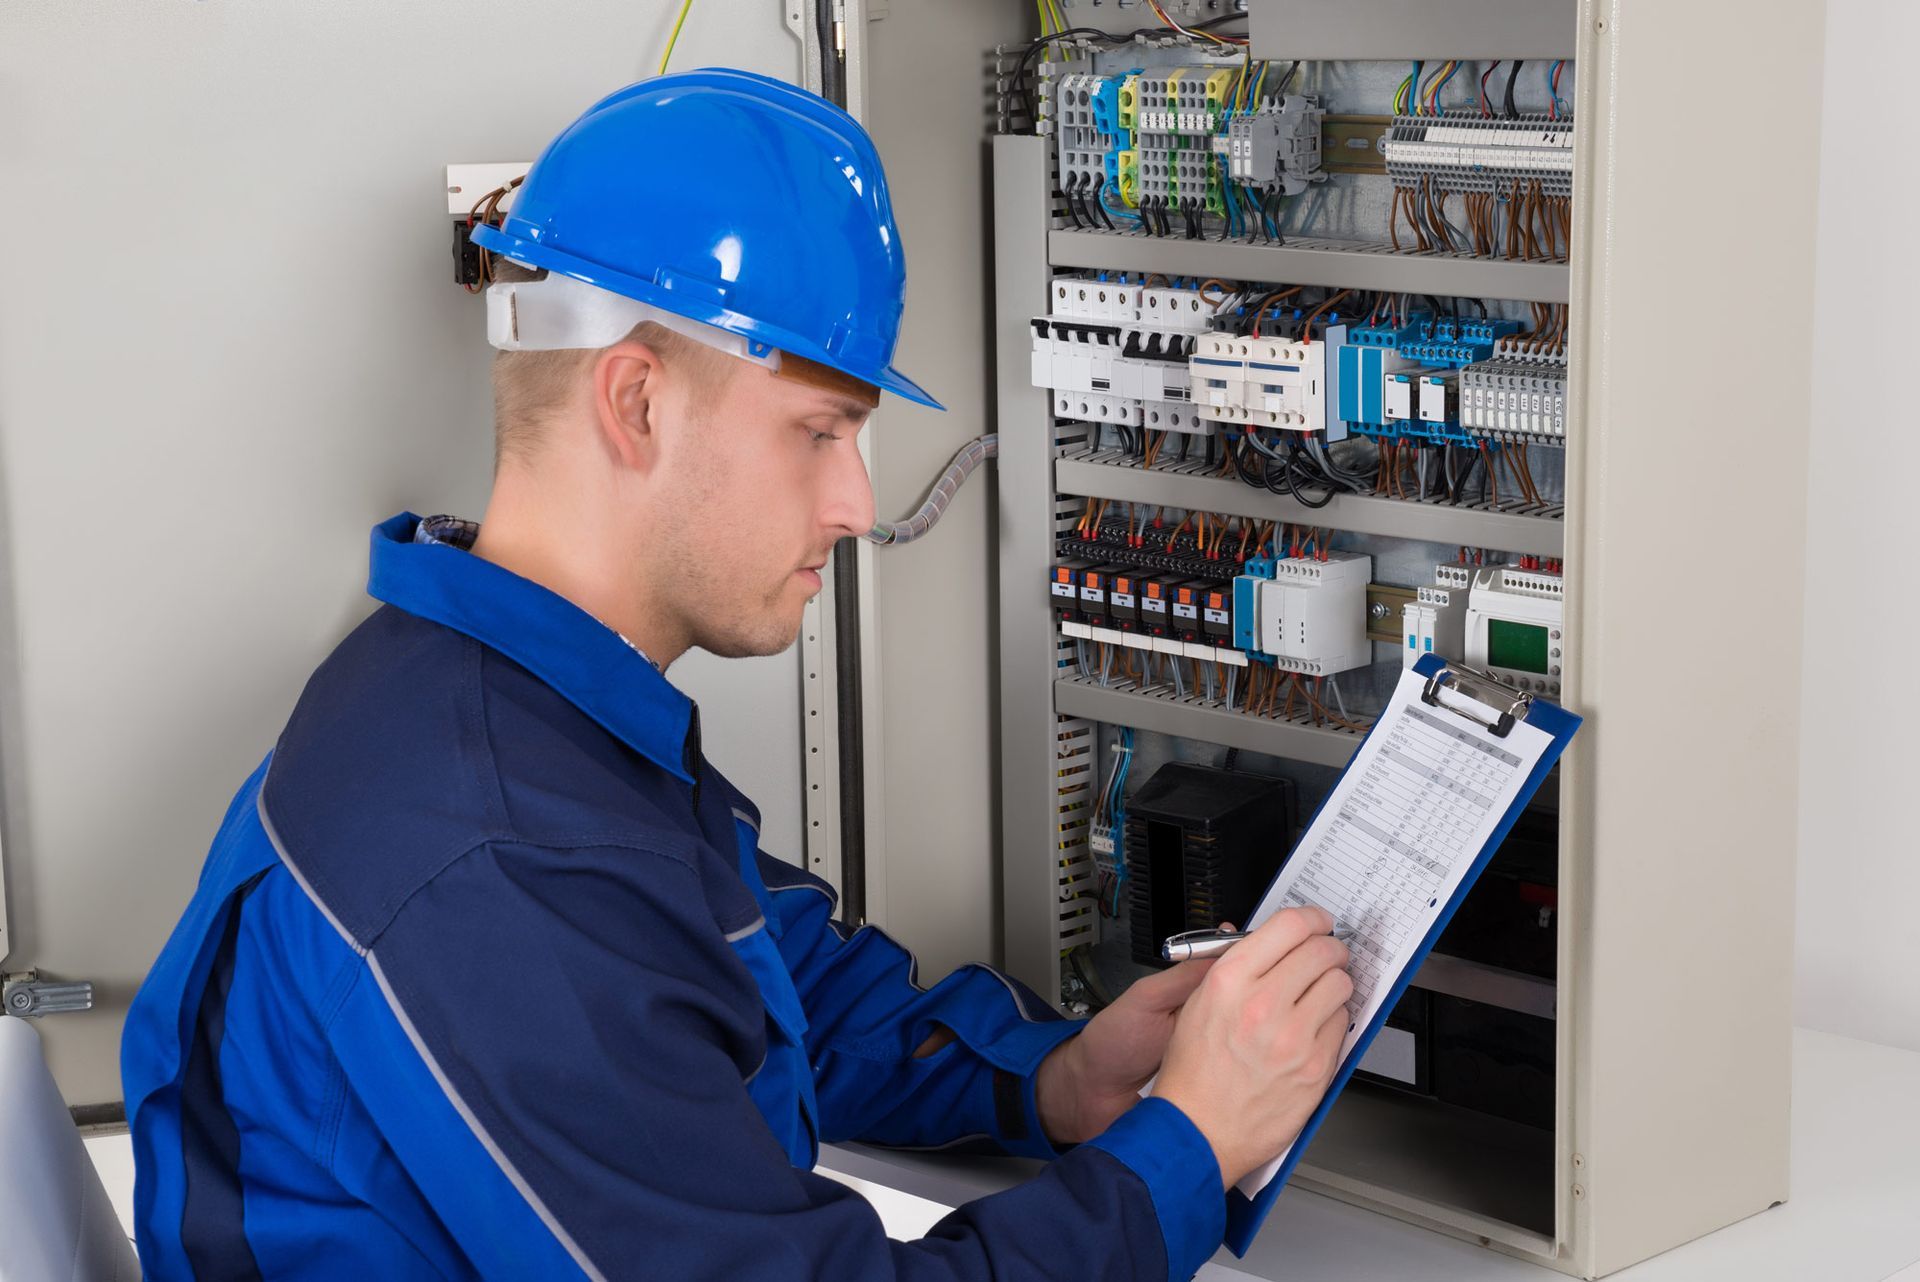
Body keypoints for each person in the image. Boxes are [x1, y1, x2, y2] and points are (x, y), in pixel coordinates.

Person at [120, 69, 1352, 1281]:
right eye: (821, 432)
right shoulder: (495, 856)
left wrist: (1049, 1077)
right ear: (638, 403)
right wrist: (1188, 1148)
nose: (860, 503)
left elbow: (749, 977)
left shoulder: (491, 694)